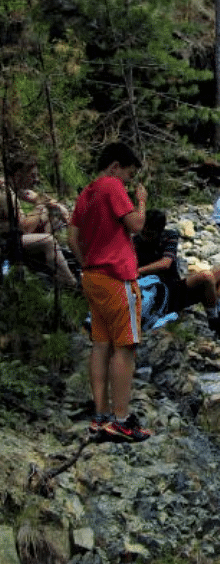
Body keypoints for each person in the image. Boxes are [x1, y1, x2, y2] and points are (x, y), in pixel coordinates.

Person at [68, 142, 152, 443]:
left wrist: (86, 263)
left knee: (100, 344)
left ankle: (101, 415)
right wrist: (140, 201)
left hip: (93, 276)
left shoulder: (87, 193)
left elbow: (72, 237)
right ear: (115, 166)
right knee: (125, 346)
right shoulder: (112, 186)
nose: (128, 182)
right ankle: (120, 420)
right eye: (128, 174)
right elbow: (136, 225)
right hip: (117, 276)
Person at [134, 209, 220, 341]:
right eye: (144, 232)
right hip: (160, 295)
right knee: (206, 277)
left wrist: (139, 270)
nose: (146, 237)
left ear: (159, 230)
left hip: (175, 287)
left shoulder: (170, 236)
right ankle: (214, 322)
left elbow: (166, 263)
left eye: (150, 233)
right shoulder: (134, 242)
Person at [1, 153, 78, 287]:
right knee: (48, 240)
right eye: (32, 175)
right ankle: (70, 282)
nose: (35, 180)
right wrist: (39, 205)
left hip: (14, 238)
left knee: (48, 215)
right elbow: (24, 227)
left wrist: (60, 208)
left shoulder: (16, 188)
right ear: (18, 175)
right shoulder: (4, 192)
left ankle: (49, 270)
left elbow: (43, 199)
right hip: (5, 242)